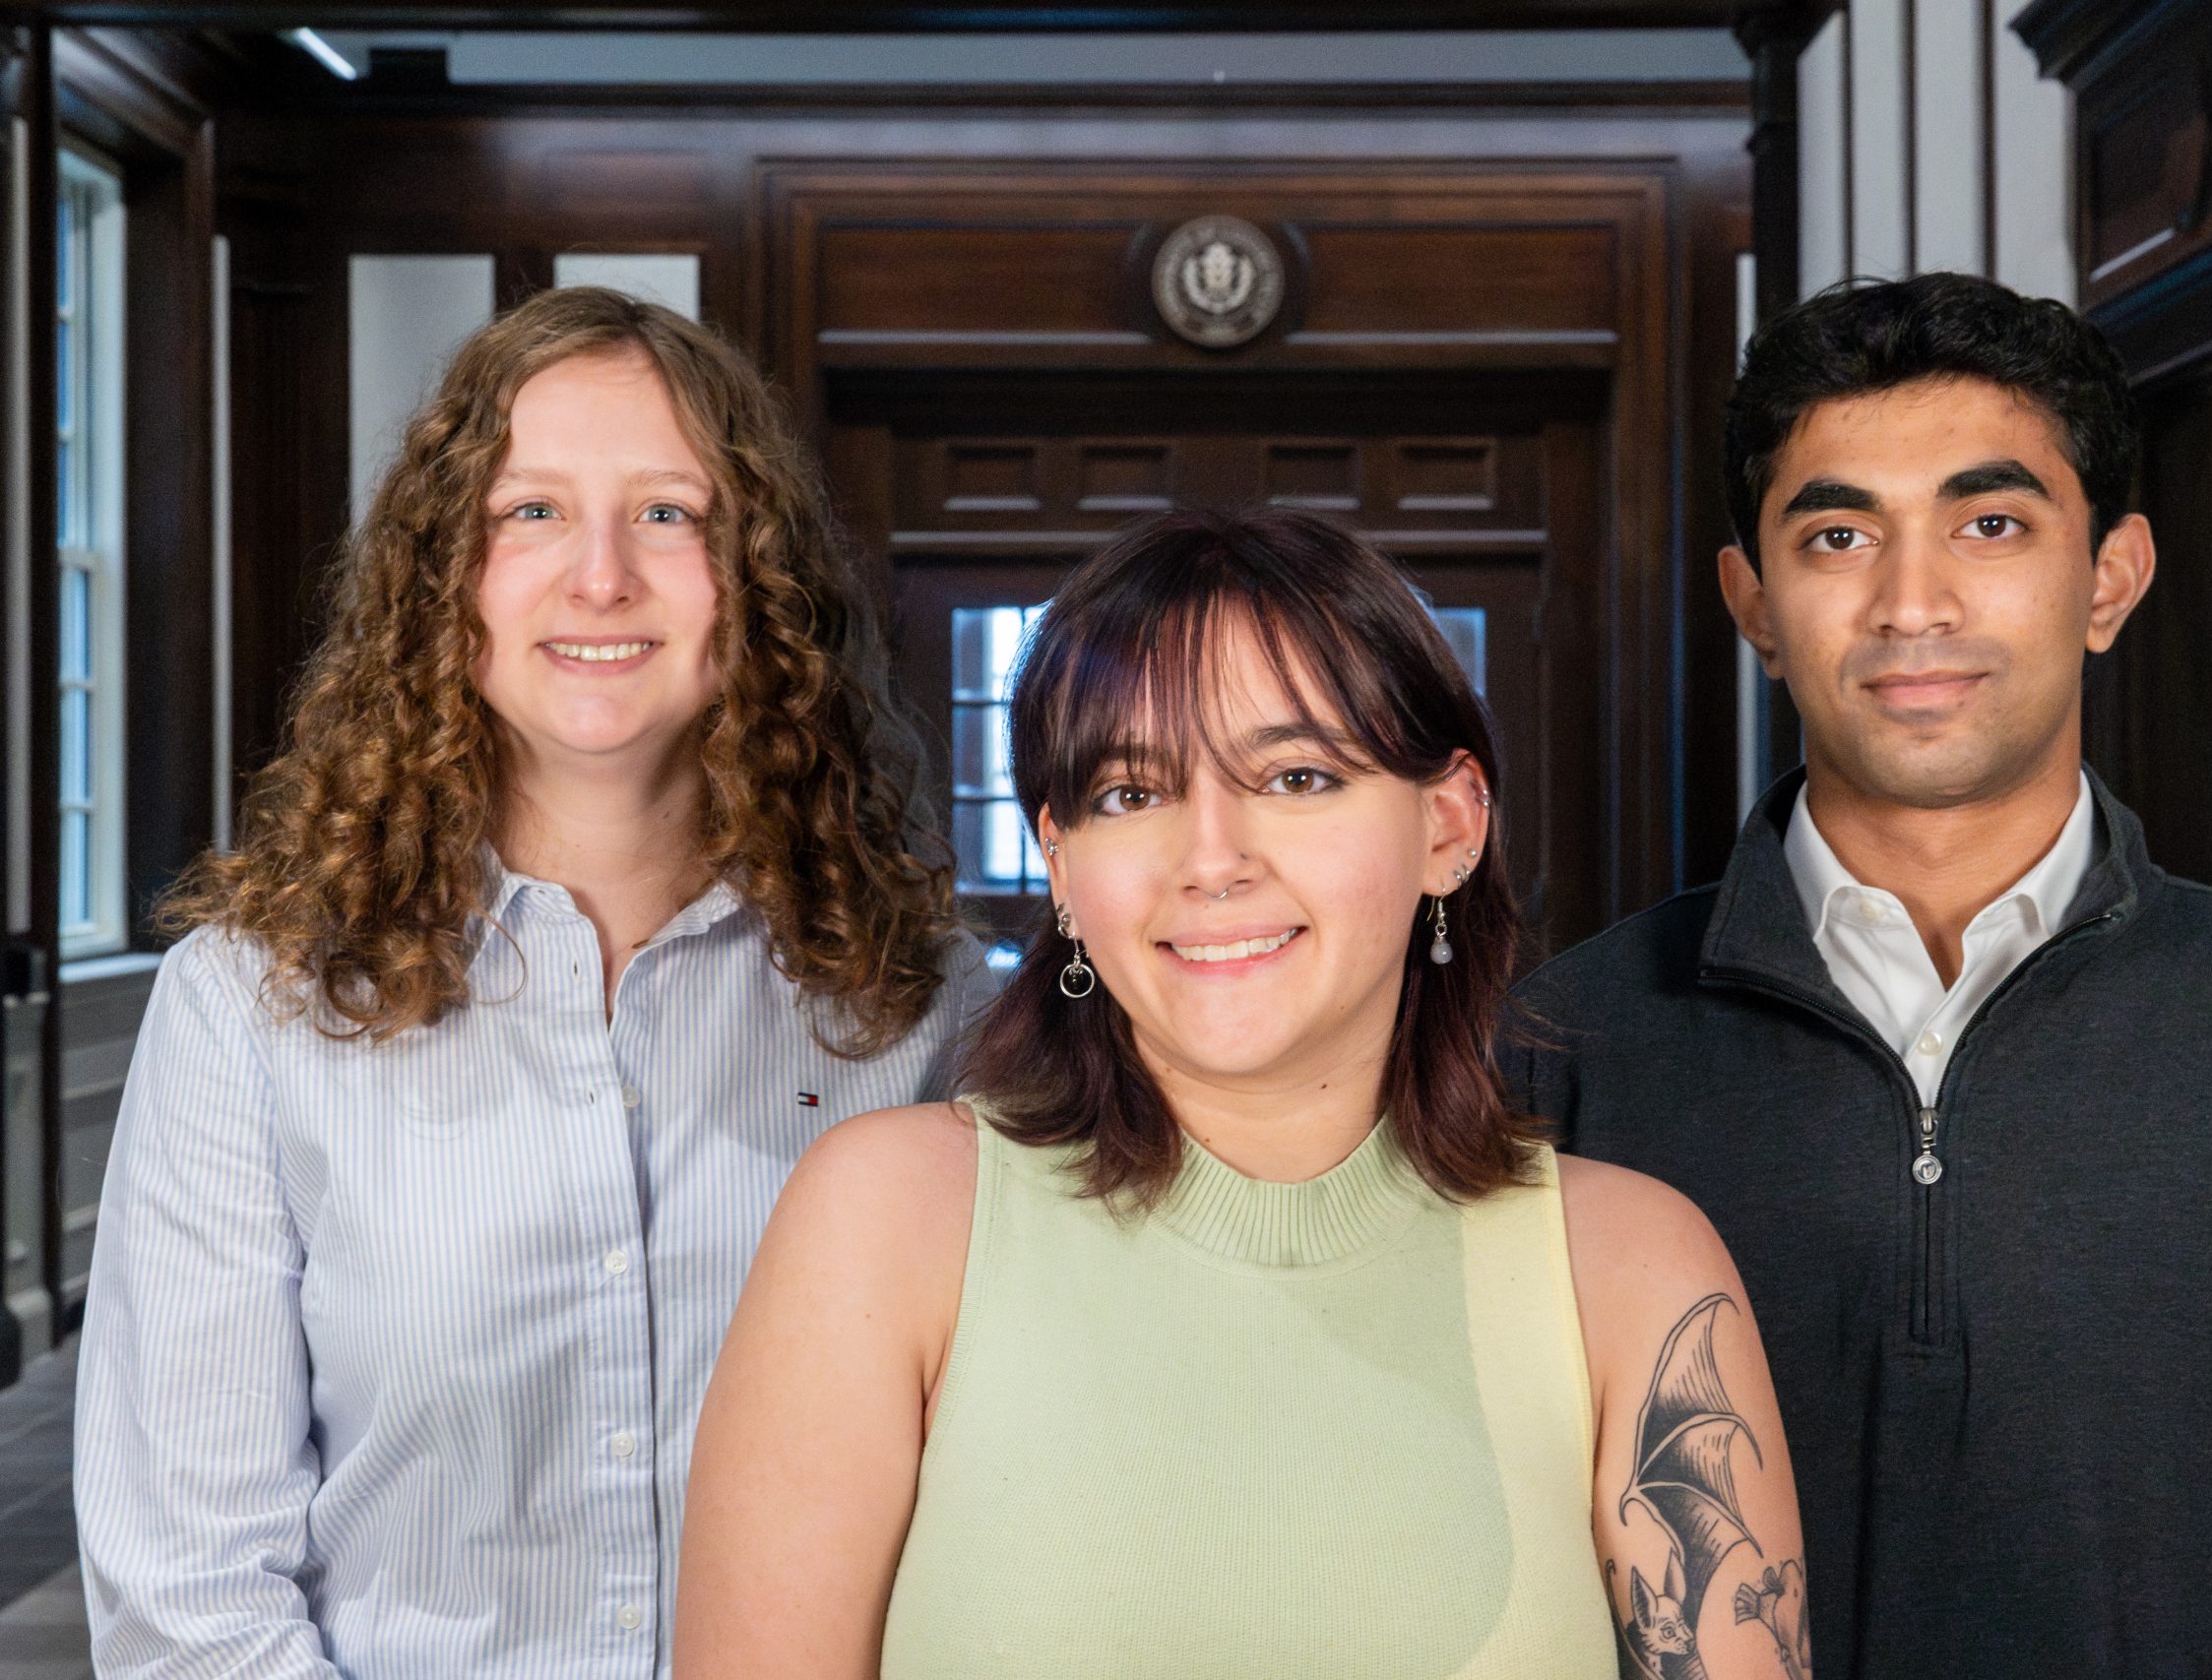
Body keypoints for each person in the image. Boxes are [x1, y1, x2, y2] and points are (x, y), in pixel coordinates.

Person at [1507, 273, 2212, 1678]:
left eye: (1991, 522)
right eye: (1838, 533)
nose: (1913, 601)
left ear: (2110, 578)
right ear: (1756, 603)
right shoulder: (1552, 1054)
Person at [674, 508, 1810, 1680]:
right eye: (1130, 793)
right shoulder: (885, 1222)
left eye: (1296, 776)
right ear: (1060, 863)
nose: (1210, 858)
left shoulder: (1630, 1272)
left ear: (1449, 824)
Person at [74, 286, 990, 1679]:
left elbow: (998, 1506)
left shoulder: (921, 999)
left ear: (762, 577)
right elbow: (190, 1593)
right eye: (530, 512)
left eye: (671, 514)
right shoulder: (248, 1007)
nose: (602, 575)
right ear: (443, 578)